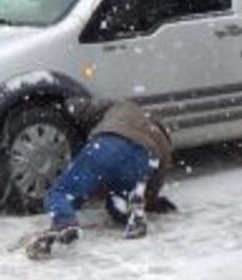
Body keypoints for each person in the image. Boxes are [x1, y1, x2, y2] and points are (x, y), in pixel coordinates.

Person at [25, 98, 174, 260]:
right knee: (115, 206)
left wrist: (65, 104)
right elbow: (156, 181)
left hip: (108, 145)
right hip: (143, 159)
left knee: (61, 192)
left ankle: (64, 222)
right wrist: (149, 200)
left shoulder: (123, 105)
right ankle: (133, 206)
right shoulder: (163, 143)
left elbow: (83, 108)